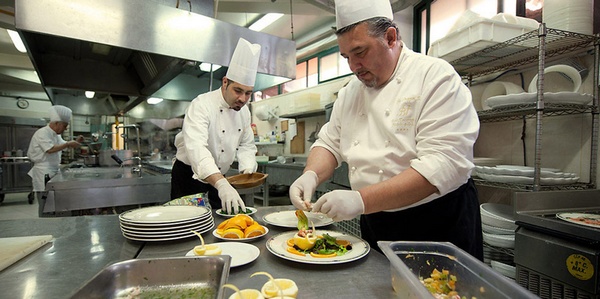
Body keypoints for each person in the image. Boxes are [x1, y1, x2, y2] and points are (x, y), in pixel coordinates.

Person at [289, 0, 483, 259]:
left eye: (360, 52)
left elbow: (442, 164)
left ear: (391, 38)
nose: (353, 67)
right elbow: (329, 143)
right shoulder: (350, 93)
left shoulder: (435, 77)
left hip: (437, 222)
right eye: (346, 57)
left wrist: (361, 200)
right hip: (377, 222)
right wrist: (310, 175)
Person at [171, 37, 261, 214]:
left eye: (248, 93)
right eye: (238, 91)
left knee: (220, 223)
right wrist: (221, 184)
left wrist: (247, 168)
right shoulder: (201, 105)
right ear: (225, 82)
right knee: (187, 226)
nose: (243, 99)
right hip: (189, 177)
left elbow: (246, 144)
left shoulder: (244, 111)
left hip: (221, 179)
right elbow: (197, 148)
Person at [27, 105, 83, 217]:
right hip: (43, 173)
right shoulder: (43, 133)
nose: (66, 128)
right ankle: (45, 227)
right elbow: (51, 149)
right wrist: (68, 144)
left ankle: (54, 225)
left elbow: (64, 145)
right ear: (57, 123)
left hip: (52, 171)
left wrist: (76, 142)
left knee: (52, 204)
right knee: (45, 204)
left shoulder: (55, 135)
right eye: (65, 125)